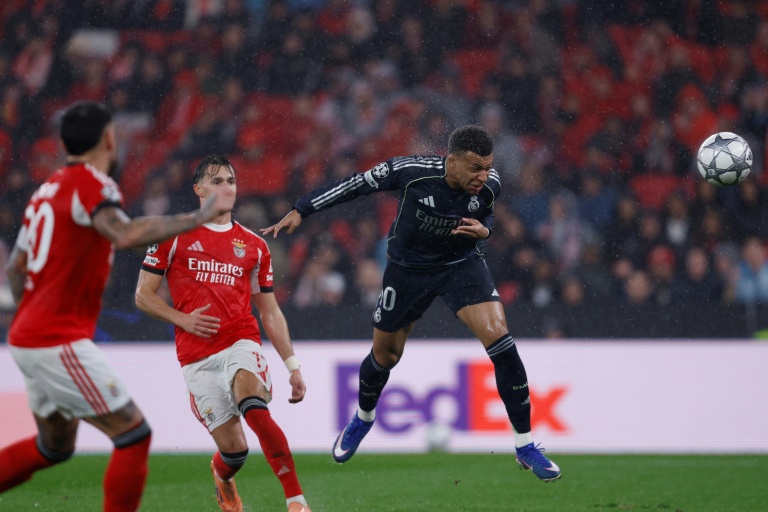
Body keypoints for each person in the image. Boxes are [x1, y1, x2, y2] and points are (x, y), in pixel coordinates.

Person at [263, 125, 561, 482]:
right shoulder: (411, 172)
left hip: (460, 266)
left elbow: (486, 214)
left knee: (501, 339)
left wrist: (486, 231)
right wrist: (303, 208)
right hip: (408, 271)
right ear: (451, 161)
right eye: (475, 168)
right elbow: (356, 184)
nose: (483, 176)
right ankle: (363, 417)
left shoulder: (490, 183)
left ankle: (525, 445)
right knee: (386, 355)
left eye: (487, 167)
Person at [0, 101, 231, 511]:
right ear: (108, 138)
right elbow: (123, 234)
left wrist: (30, 314)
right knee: (133, 435)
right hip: (57, 337)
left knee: (54, 446)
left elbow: (17, 270)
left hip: (29, 335)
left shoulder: (45, 192)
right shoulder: (93, 183)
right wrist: (197, 217)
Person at [134, 155, 312, 512]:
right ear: (199, 190)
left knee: (255, 407)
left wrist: (292, 364)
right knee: (235, 451)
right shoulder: (173, 233)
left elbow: (269, 311)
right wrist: (181, 319)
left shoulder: (254, 246)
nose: (226, 187)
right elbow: (142, 295)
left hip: (240, 339)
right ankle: (223, 476)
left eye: (230, 180)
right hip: (195, 356)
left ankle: (296, 500)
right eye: (216, 181)